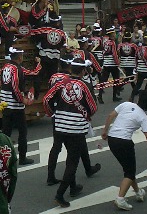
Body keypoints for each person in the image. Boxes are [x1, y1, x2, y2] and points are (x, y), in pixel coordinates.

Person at [42, 58, 99, 207]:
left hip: (60, 125)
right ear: (83, 71)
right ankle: (59, 195)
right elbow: (93, 107)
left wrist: (52, 113)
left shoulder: (60, 83)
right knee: (72, 162)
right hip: (76, 128)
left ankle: (73, 187)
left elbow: (46, 99)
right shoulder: (84, 85)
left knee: (67, 154)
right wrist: (85, 115)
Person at [101, 90, 147, 211]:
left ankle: (138, 192)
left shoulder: (126, 105)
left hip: (112, 139)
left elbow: (111, 115)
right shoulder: (143, 117)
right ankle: (120, 199)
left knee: (128, 169)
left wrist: (105, 131)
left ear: (139, 99)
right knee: (130, 172)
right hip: (124, 142)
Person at [0, 47, 40, 165]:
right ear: (19, 57)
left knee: (6, 132)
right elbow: (15, 88)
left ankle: (3, 159)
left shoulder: (5, 67)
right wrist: (23, 100)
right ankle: (22, 158)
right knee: (22, 132)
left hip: (5, 103)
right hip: (15, 105)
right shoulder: (17, 69)